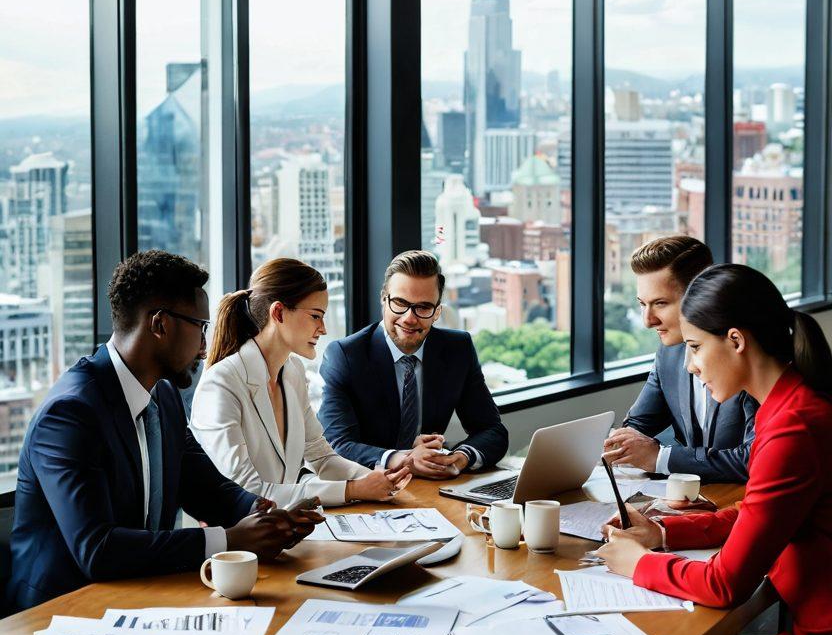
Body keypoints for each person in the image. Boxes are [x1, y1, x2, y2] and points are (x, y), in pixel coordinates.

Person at [598, 263, 832, 635]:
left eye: (697, 348)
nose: (693, 366)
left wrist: (640, 564)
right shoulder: (789, 407)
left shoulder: (792, 427)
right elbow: (759, 515)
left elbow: (726, 585)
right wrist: (663, 533)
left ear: (736, 340)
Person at [8, 251, 322, 613]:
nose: (205, 348)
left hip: (141, 595)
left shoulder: (164, 396)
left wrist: (264, 512)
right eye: (200, 327)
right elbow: (97, 549)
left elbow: (204, 485)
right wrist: (229, 539)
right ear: (160, 325)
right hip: (60, 614)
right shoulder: (71, 414)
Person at [190, 258, 411, 506]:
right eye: (315, 316)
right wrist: (354, 490)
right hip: (244, 536)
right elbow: (248, 492)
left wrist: (376, 478)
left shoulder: (292, 371)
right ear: (278, 312)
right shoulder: (221, 384)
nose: (323, 329)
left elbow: (322, 457)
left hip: (287, 527)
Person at [318, 250, 508, 476]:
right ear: (383, 299)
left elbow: (493, 430)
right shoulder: (346, 356)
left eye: (423, 307)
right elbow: (337, 444)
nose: (409, 318)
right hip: (370, 486)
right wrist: (403, 458)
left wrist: (462, 457)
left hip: (431, 486)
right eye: (399, 302)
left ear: (437, 311)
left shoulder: (458, 349)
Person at [604, 235, 757, 482]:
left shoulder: (741, 353)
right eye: (642, 304)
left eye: (660, 303)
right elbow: (639, 424)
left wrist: (660, 458)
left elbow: (755, 459)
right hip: (693, 501)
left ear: (700, 294)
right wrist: (620, 443)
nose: (647, 320)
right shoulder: (670, 351)